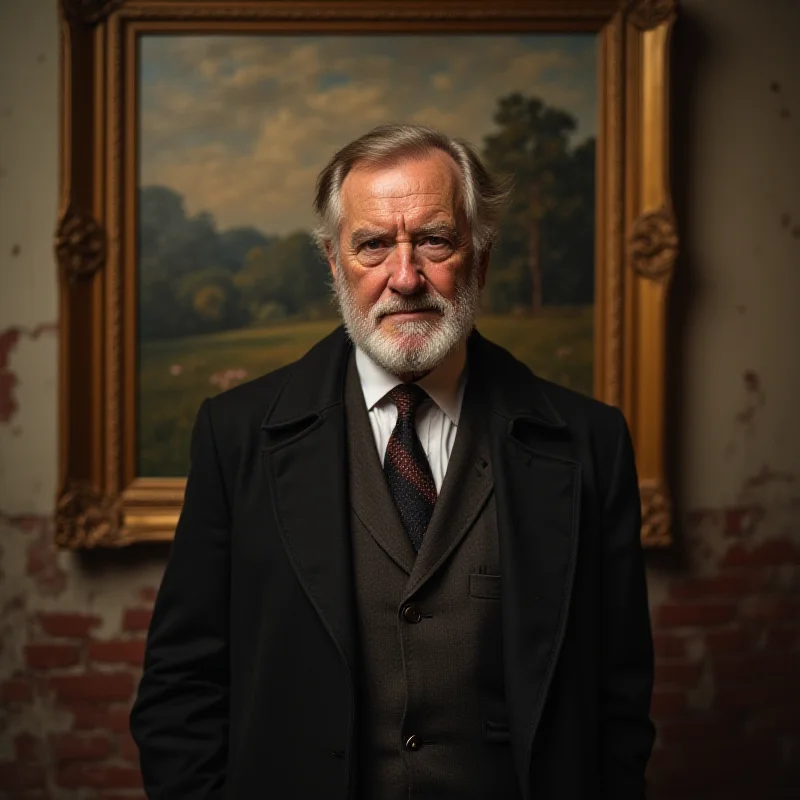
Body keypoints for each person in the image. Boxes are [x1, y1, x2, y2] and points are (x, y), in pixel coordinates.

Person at [130, 123, 655, 800]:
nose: (404, 278)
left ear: (481, 256)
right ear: (333, 264)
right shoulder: (236, 436)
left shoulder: (591, 442)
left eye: (434, 240)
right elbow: (182, 687)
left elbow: (619, 700)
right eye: (373, 245)